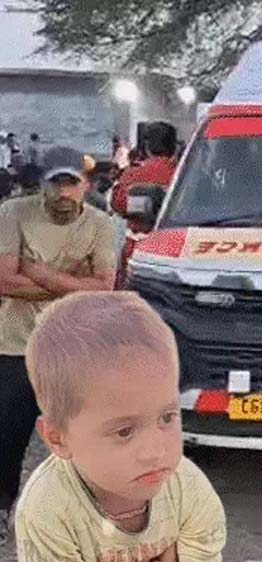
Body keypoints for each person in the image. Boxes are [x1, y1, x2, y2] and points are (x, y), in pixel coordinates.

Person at [15, 292, 227, 561]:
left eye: (167, 417)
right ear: (58, 438)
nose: (155, 452)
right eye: (124, 431)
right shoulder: (48, 508)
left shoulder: (188, 488)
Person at [0, 153, 117, 543]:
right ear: (42, 186)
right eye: (56, 184)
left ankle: (83, 514)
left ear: (86, 186)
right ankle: (2, 507)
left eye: (71, 184)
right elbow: (4, 281)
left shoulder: (100, 224)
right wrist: (73, 284)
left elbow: (104, 287)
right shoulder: (13, 213)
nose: (63, 193)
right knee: (7, 436)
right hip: (16, 346)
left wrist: (36, 271)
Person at [110, 121, 178, 232]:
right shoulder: (185, 175)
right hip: (175, 236)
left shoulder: (131, 174)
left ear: (147, 146)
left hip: (138, 237)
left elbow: (117, 204)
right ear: (175, 147)